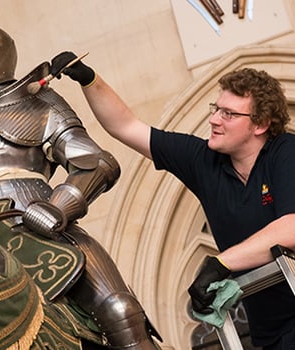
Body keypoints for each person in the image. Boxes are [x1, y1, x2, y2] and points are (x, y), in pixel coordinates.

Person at [51, 51, 295, 349]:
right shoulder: (205, 160)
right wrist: (88, 79)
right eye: (215, 109)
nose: (214, 120)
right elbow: (126, 127)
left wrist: (221, 263)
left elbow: (291, 229)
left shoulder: (285, 151)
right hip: (272, 334)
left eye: (228, 114)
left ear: (260, 125)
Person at [0, 25, 162, 350]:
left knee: (119, 309)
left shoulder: (36, 101)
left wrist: (58, 206)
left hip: (36, 222)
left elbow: (96, 162)